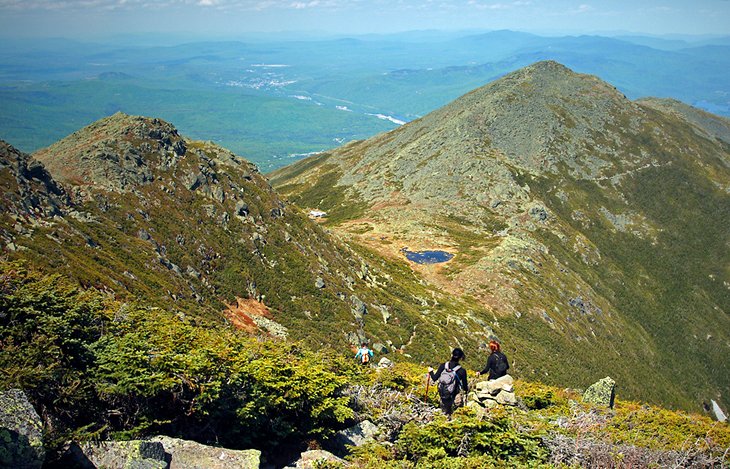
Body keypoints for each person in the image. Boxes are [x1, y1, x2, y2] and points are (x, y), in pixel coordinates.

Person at [428, 348, 468, 415]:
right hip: (453, 398)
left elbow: (434, 378)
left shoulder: (443, 366)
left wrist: (431, 371)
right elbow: (465, 388)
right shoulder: (462, 371)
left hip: (443, 395)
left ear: (451, 355)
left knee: (442, 413)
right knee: (453, 414)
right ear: (461, 357)